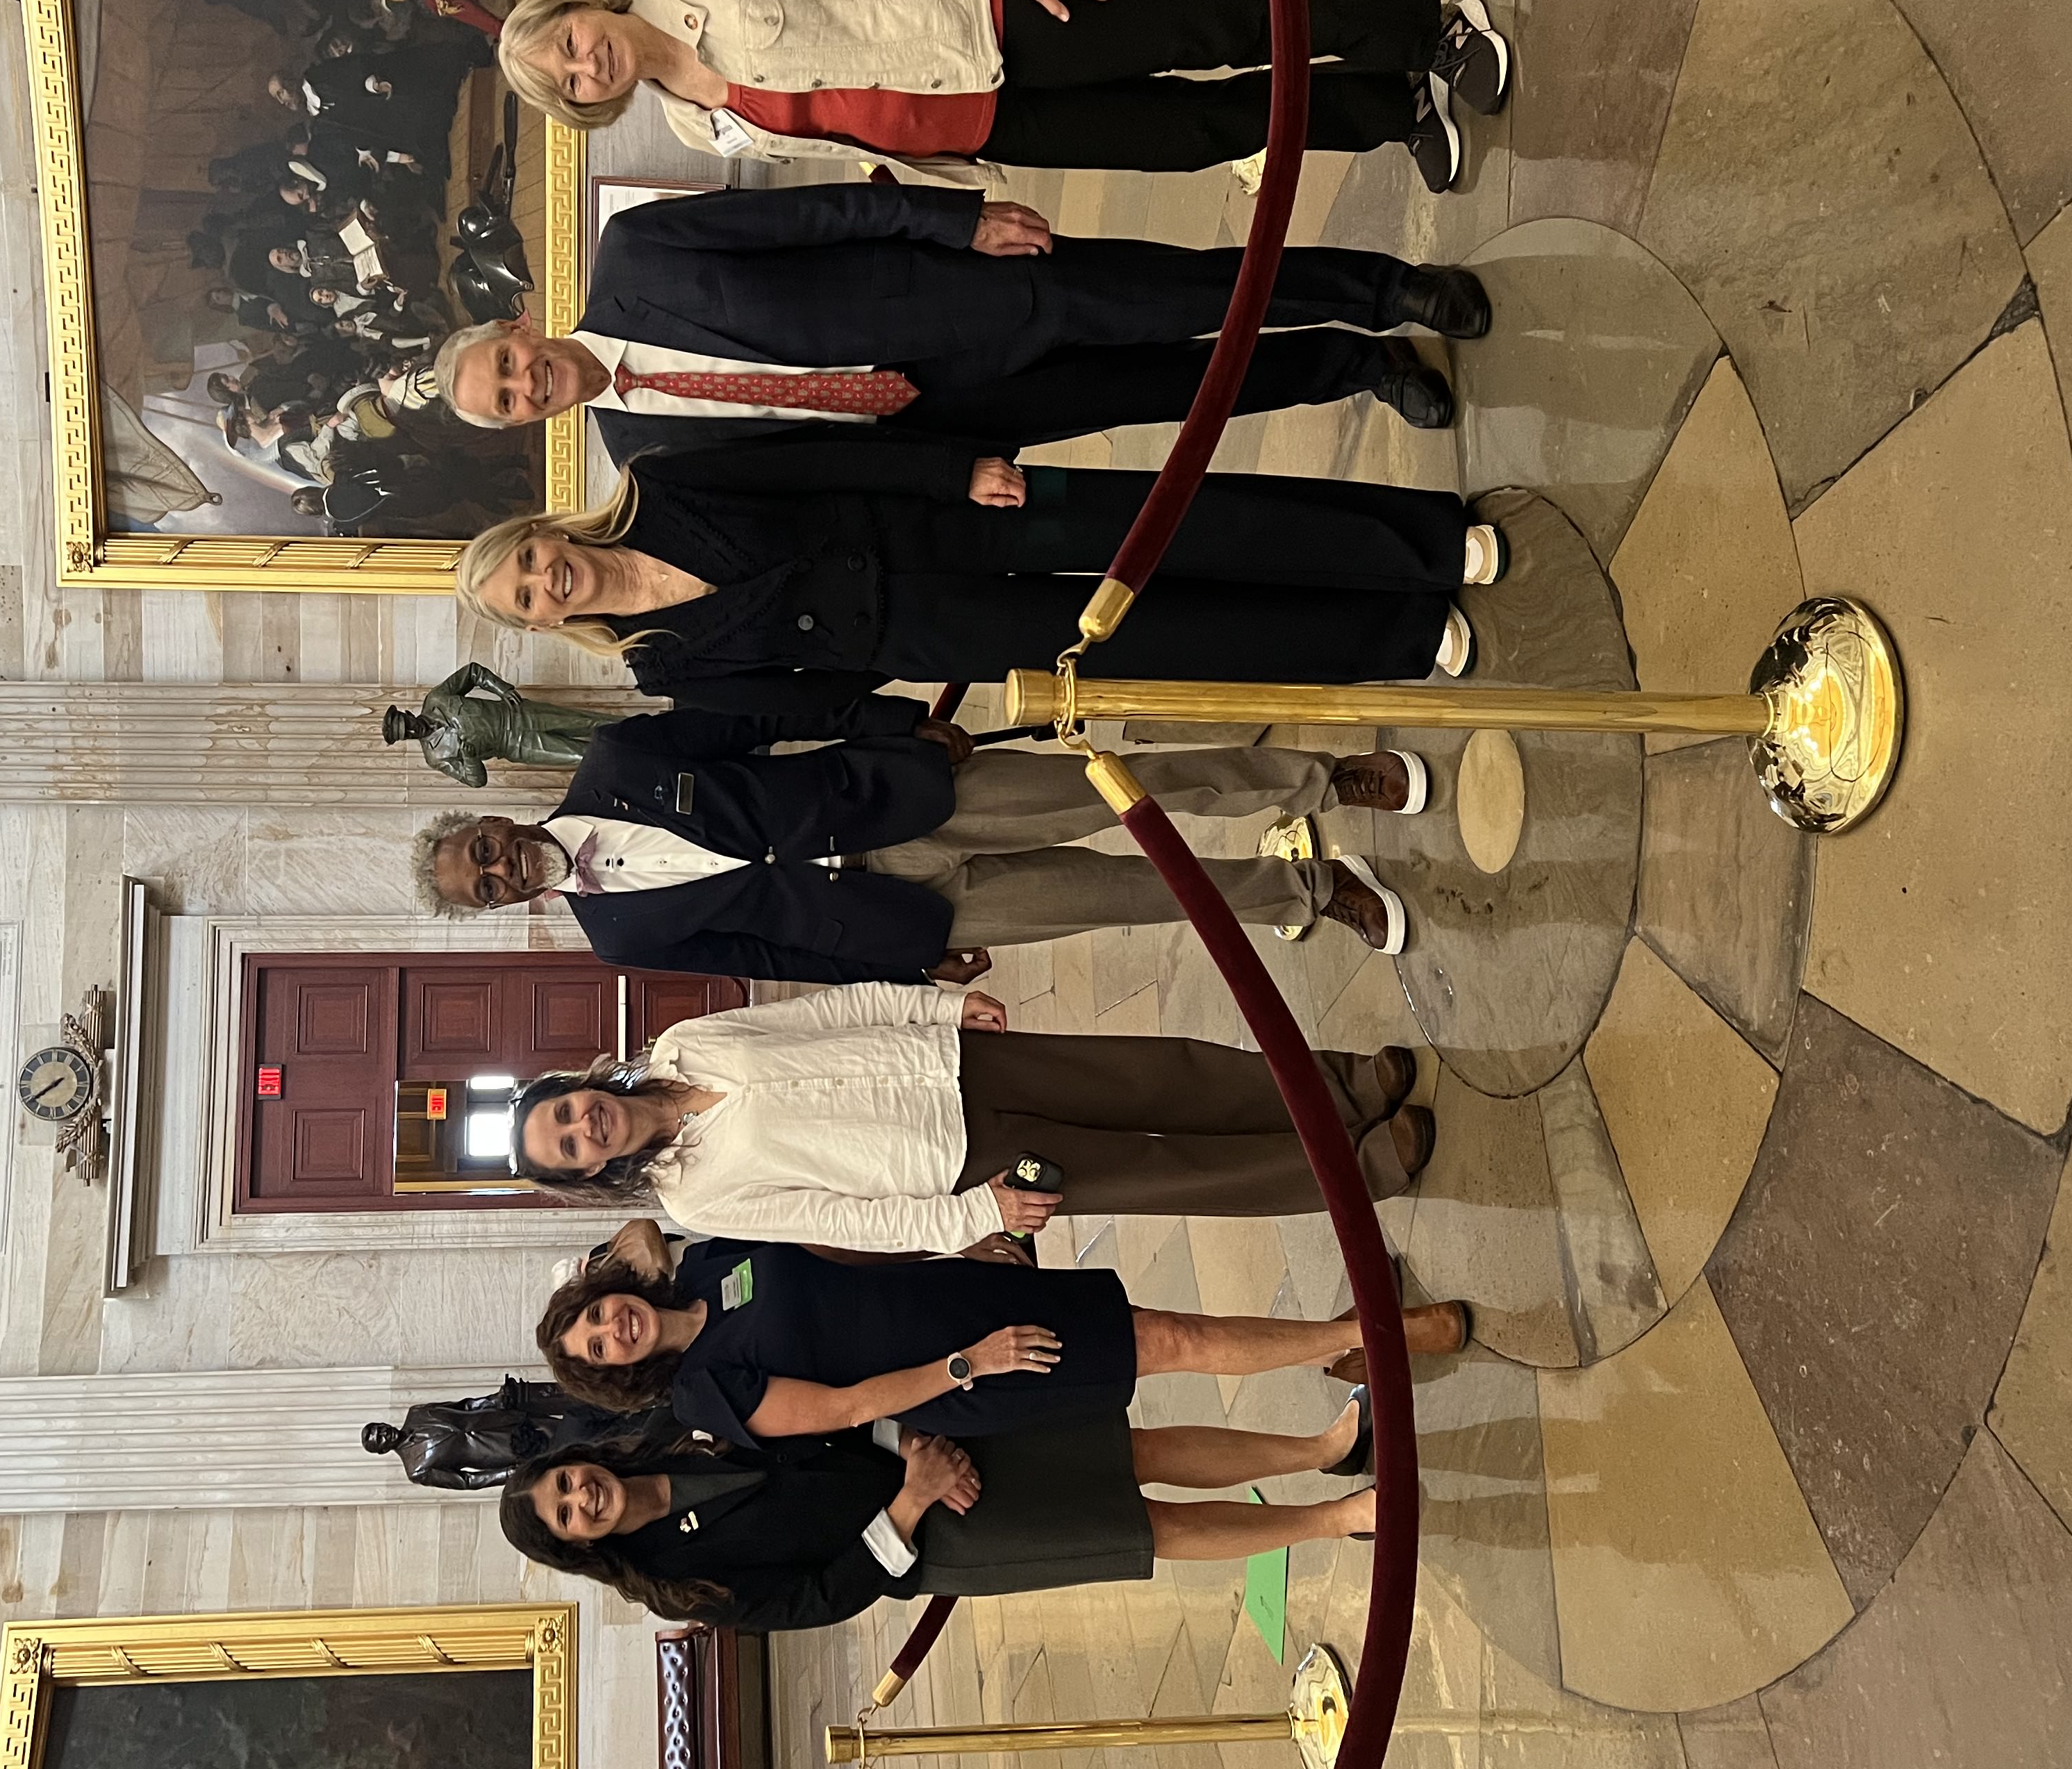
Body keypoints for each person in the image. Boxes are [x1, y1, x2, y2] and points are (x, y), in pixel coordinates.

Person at [496, 0, 1509, 193]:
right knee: (1196, 132)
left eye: (572, 40)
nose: (588, 64)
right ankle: (1388, 105)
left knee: (1212, 22)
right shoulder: (688, 129)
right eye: (572, 81)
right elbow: (849, 136)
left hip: (990, 20)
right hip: (993, 125)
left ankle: (1425, 24)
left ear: (584, 3)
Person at [438, 178, 1486, 461]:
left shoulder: (637, 254)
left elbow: (808, 215)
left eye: (508, 368)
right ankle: (1362, 367)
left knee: (1191, 293)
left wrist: (954, 219)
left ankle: (1389, 290)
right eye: (511, 407)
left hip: (959, 292)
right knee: (1173, 388)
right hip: (955, 418)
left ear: (519, 333)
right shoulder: (643, 454)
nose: (529, 388)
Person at [413, 697, 1426, 974]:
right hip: (899, 913)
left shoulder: (616, 763)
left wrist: (893, 724)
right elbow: (767, 952)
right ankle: (1307, 893)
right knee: (1128, 897)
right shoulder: (620, 943)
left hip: (895, 799)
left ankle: (1323, 777)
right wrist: (910, 972)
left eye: (486, 853)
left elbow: (762, 719)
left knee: (1125, 787)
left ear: (497, 820)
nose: (502, 872)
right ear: (500, 909)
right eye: (487, 890)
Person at [453, 454, 1494, 711]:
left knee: (1187, 524)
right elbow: (802, 699)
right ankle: (1399, 637)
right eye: (529, 599)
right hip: (929, 629)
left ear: (546, 531)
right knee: (1178, 637)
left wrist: (950, 468)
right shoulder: (657, 667)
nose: (549, 581)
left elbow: (813, 462)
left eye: (532, 561)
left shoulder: (657, 485)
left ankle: (1422, 548)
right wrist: (904, 694)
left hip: (937, 515)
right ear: (546, 624)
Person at [507, 981, 1432, 1247]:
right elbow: (844, 1222)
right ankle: (1364, 1169)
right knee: (1165, 1169)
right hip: (954, 1157)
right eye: (566, 1147)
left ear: (578, 1087)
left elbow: (817, 1016)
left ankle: (1344, 1087)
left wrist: (932, 1004)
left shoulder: (683, 1044)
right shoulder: (695, 1202)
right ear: (585, 1175)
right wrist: (975, 1216)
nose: (580, 1125)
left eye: (566, 1111)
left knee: (1165, 1075)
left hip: (949, 1061)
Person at [535, 1229, 1472, 1445]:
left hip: (948, 1291)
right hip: (968, 1367)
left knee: (1154, 1321)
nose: (611, 1330)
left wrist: (955, 1247)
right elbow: (851, 1406)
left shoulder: (699, 1269)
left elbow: (838, 1254)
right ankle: (1377, 1339)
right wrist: (967, 1364)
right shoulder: (704, 1391)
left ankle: (1338, 1342)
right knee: (1170, 1339)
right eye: (601, 1353)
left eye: (594, 1317)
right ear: (621, 1375)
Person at [499, 1415, 1373, 1631]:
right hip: (936, 1532)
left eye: (568, 1482)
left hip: (926, 1446)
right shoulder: (671, 1585)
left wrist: (911, 1441)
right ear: (577, 1545)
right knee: (1142, 1525)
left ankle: (1320, 1446)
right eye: (567, 1516)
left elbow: (815, 1416)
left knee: (1132, 1448)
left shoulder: (675, 1435)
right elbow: (818, 1598)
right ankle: (1333, 1521)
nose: (583, 1498)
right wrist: (912, 1499)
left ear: (580, 1460)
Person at [360, 1374, 681, 1491]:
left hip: (509, 1423)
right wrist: (509, 1474)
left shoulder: (418, 1413)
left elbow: (465, 1406)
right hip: (508, 1452)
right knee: (583, 1444)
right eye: (378, 1440)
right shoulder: (417, 1469)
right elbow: (466, 1480)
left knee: (582, 1423)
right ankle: (659, 1434)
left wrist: (495, 1400)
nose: (383, 1435)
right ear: (381, 1451)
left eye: (378, 1429)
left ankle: (653, 1412)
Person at [382, 662, 615, 787]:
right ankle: (643, 761)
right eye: (408, 735)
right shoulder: (437, 757)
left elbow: (472, 672)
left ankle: (648, 730)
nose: (413, 730)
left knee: (593, 723)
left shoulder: (436, 699)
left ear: (407, 714)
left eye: (408, 724)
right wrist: (470, 758)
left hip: (521, 714)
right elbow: (475, 781)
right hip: (518, 746)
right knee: (587, 757)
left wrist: (502, 689)